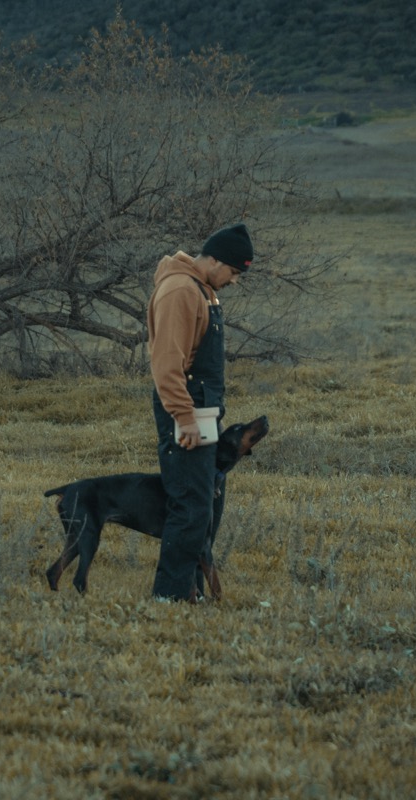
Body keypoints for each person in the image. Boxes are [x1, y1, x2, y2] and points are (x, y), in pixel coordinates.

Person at [146, 222, 253, 601]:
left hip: (202, 415)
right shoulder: (180, 291)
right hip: (187, 415)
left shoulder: (203, 291)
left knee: (205, 501)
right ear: (214, 260)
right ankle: (169, 596)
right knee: (190, 504)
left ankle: (190, 590)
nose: (234, 281)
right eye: (234, 272)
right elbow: (166, 364)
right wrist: (184, 416)